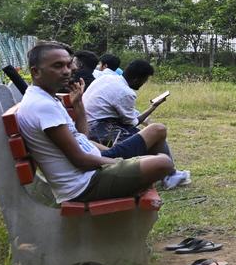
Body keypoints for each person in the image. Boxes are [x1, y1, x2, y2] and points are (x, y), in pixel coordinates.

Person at [15, 41, 174, 204]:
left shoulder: (47, 97)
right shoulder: (43, 106)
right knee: (163, 162)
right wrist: (120, 162)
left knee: (156, 130)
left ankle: (161, 176)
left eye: (68, 65)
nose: (67, 71)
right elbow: (80, 161)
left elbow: (82, 136)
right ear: (36, 72)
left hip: (94, 162)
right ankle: (161, 177)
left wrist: (78, 104)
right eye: (57, 66)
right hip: (85, 184)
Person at [84, 59, 190, 188]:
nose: (143, 84)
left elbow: (128, 113)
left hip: (88, 126)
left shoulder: (109, 78)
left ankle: (170, 173)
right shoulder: (126, 92)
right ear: (136, 79)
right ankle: (169, 174)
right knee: (153, 134)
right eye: (144, 81)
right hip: (102, 131)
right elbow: (133, 122)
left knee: (147, 133)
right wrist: (153, 107)